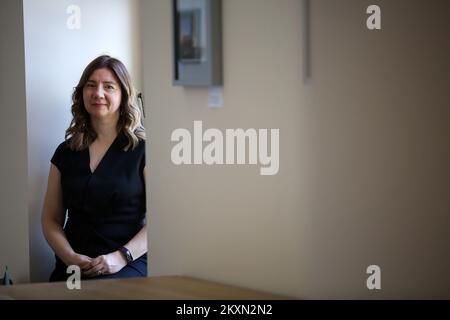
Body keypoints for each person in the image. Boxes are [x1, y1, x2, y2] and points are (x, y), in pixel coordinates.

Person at [41, 55, 147, 281]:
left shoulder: (144, 151)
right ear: (82, 93)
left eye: (108, 86)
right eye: (91, 85)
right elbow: (50, 219)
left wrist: (121, 256)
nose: (98, 93)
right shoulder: (65, 152)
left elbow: (162, 220)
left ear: (123, 95)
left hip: (127, 263)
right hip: (73, 264)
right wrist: (69, 257)